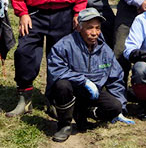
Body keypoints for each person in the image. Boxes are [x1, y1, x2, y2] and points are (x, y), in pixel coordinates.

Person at [47, 8, 133, 142]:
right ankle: (64, 125)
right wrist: (83, 81)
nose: (94, 33)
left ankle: (88, 112)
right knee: (62, 85)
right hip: (70, 91)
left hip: (92, 94)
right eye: (89, 28)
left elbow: (115, 78)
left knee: (114, 107)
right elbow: (56, 71)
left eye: (97, 28)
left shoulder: (104, 50)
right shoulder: (64, 45)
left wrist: (121, 107)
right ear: (79, 27)